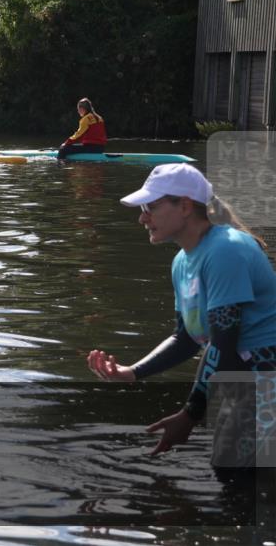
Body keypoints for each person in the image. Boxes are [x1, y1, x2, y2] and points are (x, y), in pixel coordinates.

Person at [87, 164, 276, 473]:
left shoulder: (225, 251)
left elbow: (223, 348)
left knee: (245, 487)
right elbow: (187, 337)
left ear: (185, 206)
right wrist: (131, 373)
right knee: (233, 483)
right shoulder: (182, 262)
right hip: (243, 380)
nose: (142, 217)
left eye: (151, 206)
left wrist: (189, 415)